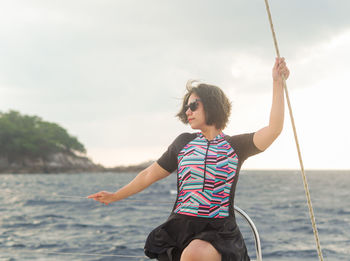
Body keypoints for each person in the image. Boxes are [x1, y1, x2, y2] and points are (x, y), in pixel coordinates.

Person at [88, 57, 290, 261]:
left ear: (212, 105)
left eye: (193, 105)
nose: (188, 111)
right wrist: (115, 196)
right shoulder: (183, 143)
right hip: (180, 229)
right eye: (186, 107)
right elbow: (149, 174)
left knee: (195, 253)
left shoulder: (236, 147)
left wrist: (277, 83)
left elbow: (274, 129)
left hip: (219, 232)